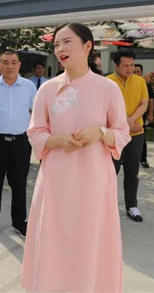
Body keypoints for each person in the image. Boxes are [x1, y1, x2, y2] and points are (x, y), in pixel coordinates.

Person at [22, 23, 130, 292]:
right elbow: (35, 131)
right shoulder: (48, 89)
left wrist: (100, 132)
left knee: (91, 240)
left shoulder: (107, 88)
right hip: (56, 180)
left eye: (67, 41)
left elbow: (122, 133)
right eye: (56, 44)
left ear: (87, 46)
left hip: (94, 180)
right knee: (54, 238)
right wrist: (61, 141)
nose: (60, 48)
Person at [0, 50, 37, 238]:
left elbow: (33, 111)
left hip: (21, 142)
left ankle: (19, 222)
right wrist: (0, 125)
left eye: (13, 62)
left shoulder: (28, 86)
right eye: (5, 62)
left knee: (19, 184)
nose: (9, 66)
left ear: (19, 65)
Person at [106, 50, 148, 222]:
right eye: (125, 66)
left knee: (132, 171)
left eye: (132, 65)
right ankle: (106, 207)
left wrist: (131, 120)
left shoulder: (139, 81)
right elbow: (106, 108)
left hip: (136, 134)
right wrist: (125, 123)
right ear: (116, 66)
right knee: (110, 172)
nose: (129, 69)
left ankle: (132, 205)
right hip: (114, 135)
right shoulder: (107, 83)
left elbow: (144, 104)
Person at [134, 63, 154, 168]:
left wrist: (150, 114)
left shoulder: (146, 85)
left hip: (141, 115)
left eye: (138, 72)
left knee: (141, 137)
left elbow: (151, 101)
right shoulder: (127, 83)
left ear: (141, 73)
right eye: (134, 72)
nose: (136, 73)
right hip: (129, 115)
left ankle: (143, 159)